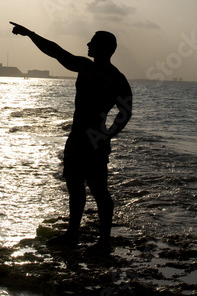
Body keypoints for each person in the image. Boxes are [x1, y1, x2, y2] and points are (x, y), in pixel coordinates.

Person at [9, 21, 132, 253]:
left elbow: (125, 112)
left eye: (92, 41)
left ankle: (104, 241)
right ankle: (73, 234)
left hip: (93, 139)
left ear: (103, 48)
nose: (87, 43)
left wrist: (107, 135)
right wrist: (30, 34)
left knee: (98, 189)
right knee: (75, 187)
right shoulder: (94, 70)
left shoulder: (107, 75)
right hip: (79, 137)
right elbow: (56, 52)